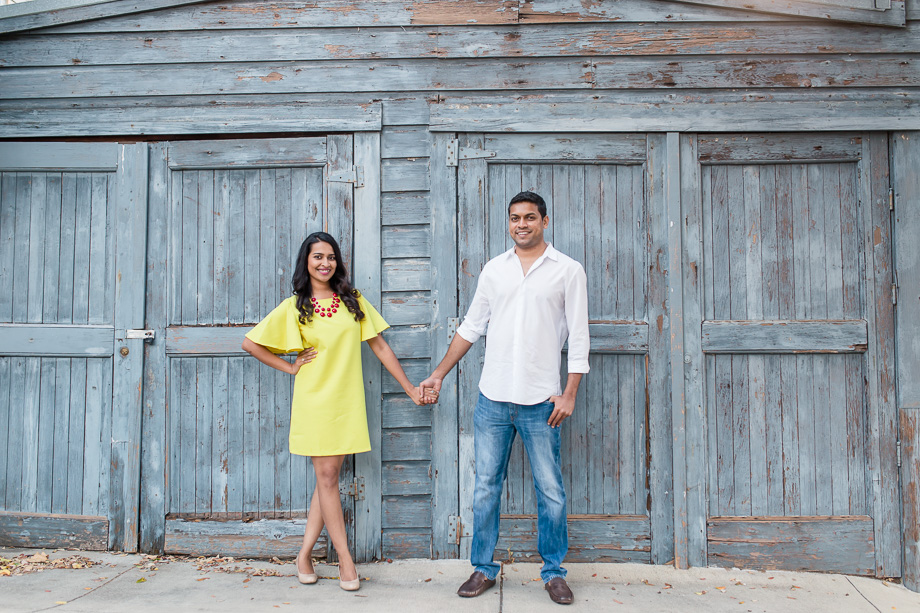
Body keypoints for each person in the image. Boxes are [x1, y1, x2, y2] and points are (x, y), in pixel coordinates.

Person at [420, 191, 589, 605]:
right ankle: (483, 568)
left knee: (550, 490)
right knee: (485, 489)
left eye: (530, 217)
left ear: (545, 221)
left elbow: (580, 337)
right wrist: (438, 374)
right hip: (493, 399)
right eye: (515, 218)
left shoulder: (568, 271)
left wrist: (569, 394)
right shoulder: (494, 270)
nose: (522, 225)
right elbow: (470, 328)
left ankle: (553, 573)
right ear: (509, 223)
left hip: (541, 403)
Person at [242, 231, 424, 592]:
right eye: (317, 257)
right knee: (327, 479)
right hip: (314, 401)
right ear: (305, 262)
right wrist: (291, 367)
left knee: (326, 479)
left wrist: (410, 389)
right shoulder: (295, 306)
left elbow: (381, 348)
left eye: (331, 257)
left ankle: (304, 554)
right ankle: (344, 558)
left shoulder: (352, 301)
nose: (325, 263)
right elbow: (250, 343)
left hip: (346, 401)